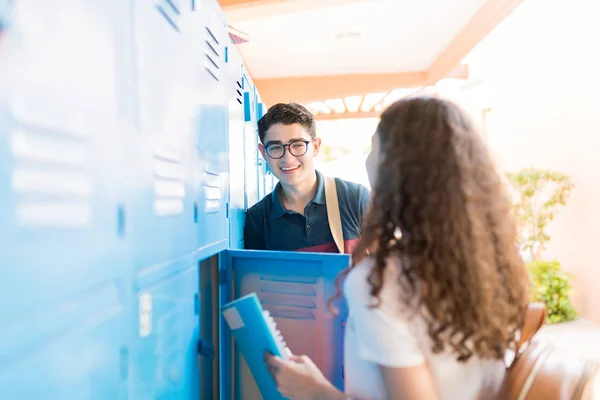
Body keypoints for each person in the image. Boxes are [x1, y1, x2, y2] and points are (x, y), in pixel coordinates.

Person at [264, 96, 530, 399]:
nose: (366, 160)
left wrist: (314, 391)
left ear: (394, 171)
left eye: (374, 148)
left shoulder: (382, 283)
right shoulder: (490, 263)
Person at [244, 102, 370, 253]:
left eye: (297, 145)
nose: (288, 159)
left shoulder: (356, 198)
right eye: (275, 147)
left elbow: (388, 264)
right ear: (263, 153)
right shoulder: (257, 219)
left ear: (315, 147)